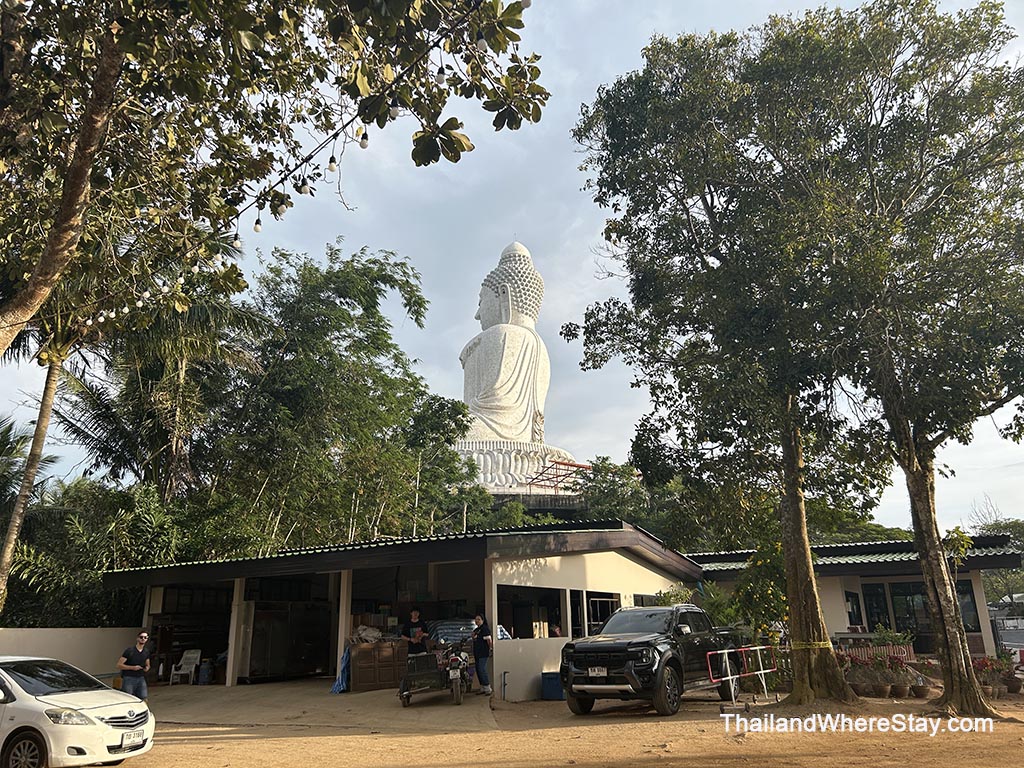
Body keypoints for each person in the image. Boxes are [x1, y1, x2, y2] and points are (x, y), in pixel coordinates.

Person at [118, 630, 152, 701]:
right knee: (128, 698)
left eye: (145, 637)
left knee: (143, 697)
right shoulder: (130, 651)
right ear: (137, 638)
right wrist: (132, 667)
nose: (143, 639)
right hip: (129, 677)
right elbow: (119, 665)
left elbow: (148, 664)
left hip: (140, 677)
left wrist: (147, 668)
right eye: (141, 637)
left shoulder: (146, 651)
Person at [471, 614, 493, 695]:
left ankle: (488, 688)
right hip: (477, 653)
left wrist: (490, 649)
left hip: (483, 652)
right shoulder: (477, 630)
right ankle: (482, 687)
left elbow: (489, 640)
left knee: (482, 669)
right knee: (478, 670)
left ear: (483, 620)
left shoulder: (485, 629)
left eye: (479, 619)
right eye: (476, 619)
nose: (477, 621)